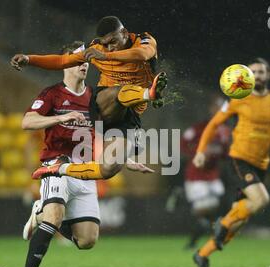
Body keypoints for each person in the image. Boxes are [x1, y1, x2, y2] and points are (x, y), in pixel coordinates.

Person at [16, 41, 154, 267]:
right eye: (77, 59)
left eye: (86, 60)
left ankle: (39, 212)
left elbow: (103, 135)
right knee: (54, 217)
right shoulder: (51, 94)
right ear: (65, 62)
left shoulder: (95, 96)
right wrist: (61, 117)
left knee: (87, 241)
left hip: (87, 170)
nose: (84, 64)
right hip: (57, 164)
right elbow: (27, 122)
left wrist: (125, 159)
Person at [192, 58, 270, 267]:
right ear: (246, 76)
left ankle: (203, 253)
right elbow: (213, 124)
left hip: (261, 164)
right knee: (261, 200)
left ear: (268, 75)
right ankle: (222, 224)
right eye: (253, 72)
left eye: (261, 71)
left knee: (240, 218)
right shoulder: (237, 98)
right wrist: (200, 151)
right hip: (240, 158)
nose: (258, 75)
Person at [11, 16, 167, 182]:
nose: (109, 48)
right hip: (103, 104)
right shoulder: (94, 47)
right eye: (105, 44)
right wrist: (30, 59)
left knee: (109, 168)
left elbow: (143, 54)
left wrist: (105, 56)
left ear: (124, 33)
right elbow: (63, 60)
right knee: (118, 91)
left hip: (129, 115)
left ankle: (60, 168)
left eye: (113, 41)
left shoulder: (144, 39)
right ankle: (148, 94)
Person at [181, 96, 230, 249]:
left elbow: (225, 153)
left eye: (223, 108)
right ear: (211, 109)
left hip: (213, 175)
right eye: (217, 107)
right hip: (196, 176)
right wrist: (198, 153)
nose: (220, 111)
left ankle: (210, 233)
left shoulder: (225, 132)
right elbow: (182, 145)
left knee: (211, 209)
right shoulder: (199, 128)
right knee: (203, 211)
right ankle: (209, 235)